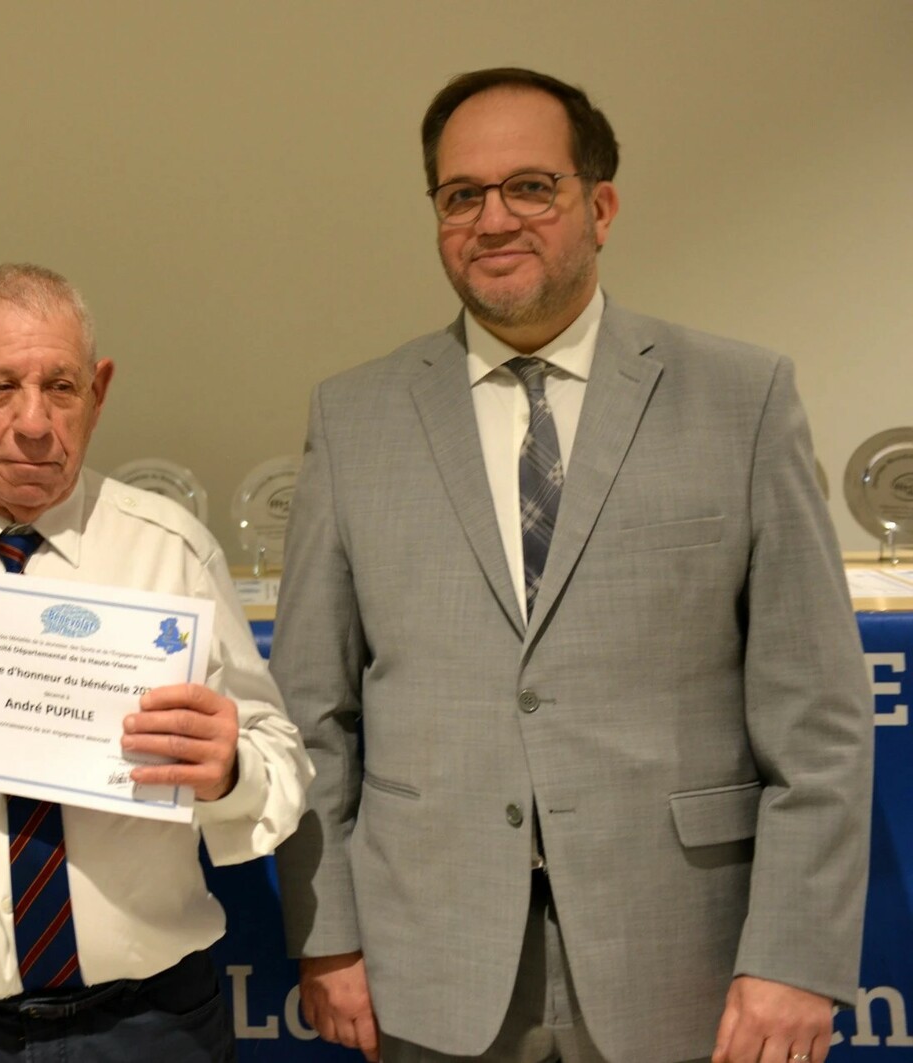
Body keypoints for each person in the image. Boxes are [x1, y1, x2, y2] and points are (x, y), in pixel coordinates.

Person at [271, 69, 874, 1063]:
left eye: (530, 187)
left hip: (685, 961)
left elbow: (818, 716)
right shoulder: (353, 417)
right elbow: (312, 715)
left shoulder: (741, 398)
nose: (492, 219)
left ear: (600, 206)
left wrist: (795, 955)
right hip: (429, 962)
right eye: (461, 195)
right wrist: (326, 931)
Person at [0, 262, 312, 1061]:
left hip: (148, 1028)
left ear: (98, 393)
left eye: (61, 387)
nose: (35, 422)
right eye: (1, 387)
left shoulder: (173, 551)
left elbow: (280, 761)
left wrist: (230, 771)